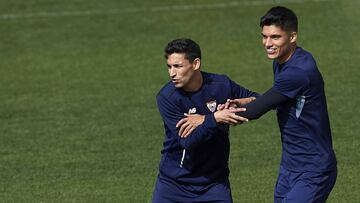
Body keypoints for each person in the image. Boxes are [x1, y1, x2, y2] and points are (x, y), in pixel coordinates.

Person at [177, 6, 337, 203]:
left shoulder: (298, 71)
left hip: (313, 168)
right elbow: (281, 99)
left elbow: (255, 111)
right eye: (264, 36)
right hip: (291, 164)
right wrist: (248, 100)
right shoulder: (284, 60)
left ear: (293, 36)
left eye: (275, 37)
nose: (267, 43)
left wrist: (207, 119)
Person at [152, 38, 257, 203]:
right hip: (174, 186)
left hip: (214, 185)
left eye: (178, 66)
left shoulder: (221, 85)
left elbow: (258, 100)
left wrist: (238, 103)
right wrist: (214, 118)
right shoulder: (167, 97)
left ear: (195, 64)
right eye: (169, 66)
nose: (172, 73)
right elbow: (189, 141)